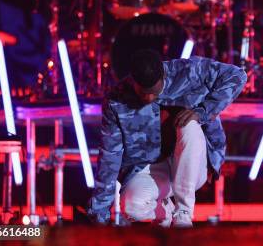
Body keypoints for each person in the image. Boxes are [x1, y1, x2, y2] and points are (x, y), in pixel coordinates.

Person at [87, 49, 247, 227]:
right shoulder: (116, 101)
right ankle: (166, 211)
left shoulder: (187, 72)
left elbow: (237, 75)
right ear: (133, 81)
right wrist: (99, 213)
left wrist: (202, 111)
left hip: (192, 164)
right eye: (143, 93)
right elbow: (110, 155)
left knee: (188, 124)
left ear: (163, 75)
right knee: (132, 208)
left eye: (153, 92)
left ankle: (183, 214)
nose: (148, 98)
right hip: (149, 169)